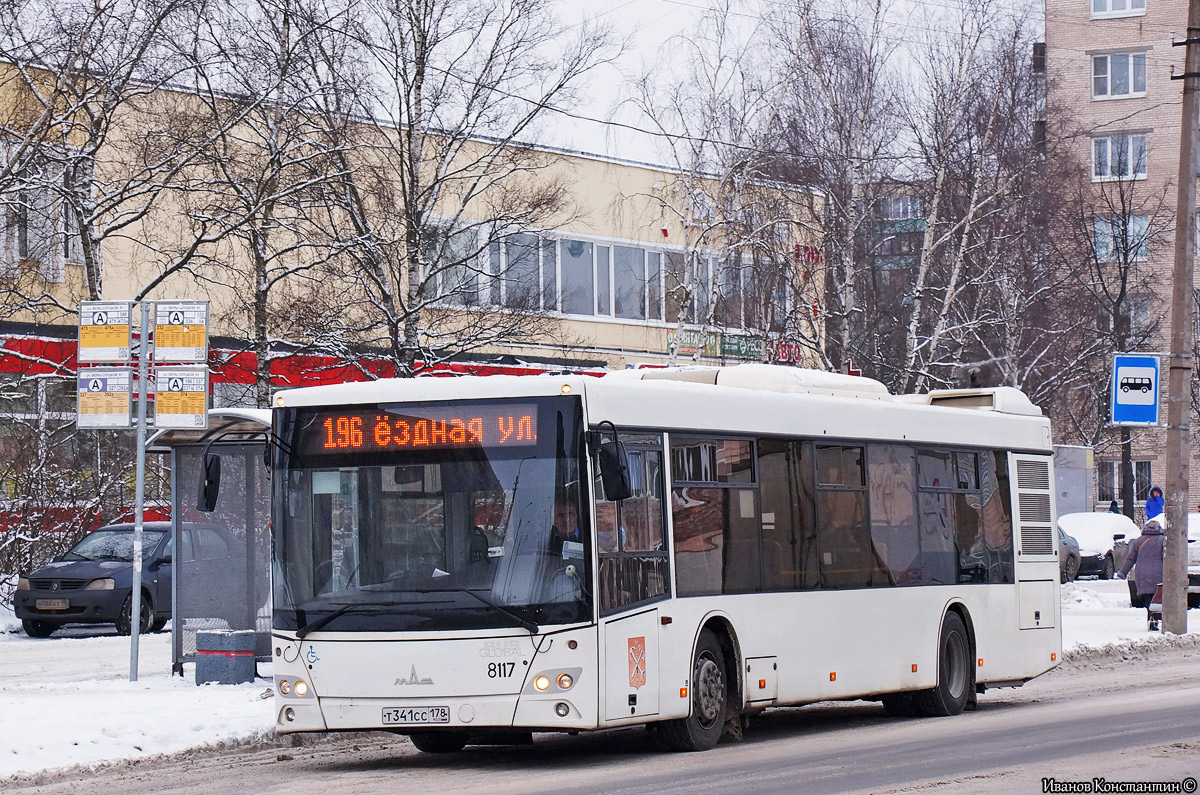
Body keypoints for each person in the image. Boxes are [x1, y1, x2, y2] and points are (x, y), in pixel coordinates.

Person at [1116, 517, 1166, 630]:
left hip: (1142, 573)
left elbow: (1130, 559)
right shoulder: (1163, 540)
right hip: (1158, 573)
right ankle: (1155, 620)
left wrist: (1122, 573)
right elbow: (1165, 557)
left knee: (1148, 598)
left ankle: (1151, 619)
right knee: (1158, 598)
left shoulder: (1139, 541)